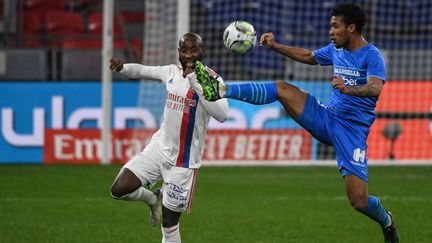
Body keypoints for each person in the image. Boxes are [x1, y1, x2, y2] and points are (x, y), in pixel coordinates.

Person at [191, 3, 399, 243]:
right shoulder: (336, 49)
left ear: (351, 28)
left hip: (352, 132)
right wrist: (276, 46)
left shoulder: (372, 55)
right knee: (282, 88)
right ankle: (222, 89)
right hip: (327, 118)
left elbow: (375, 88)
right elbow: (309, 56)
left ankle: (387, 221)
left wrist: (349, 89)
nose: (330, 31)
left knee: (359, 201)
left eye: (335, 26)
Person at [109, 32, 228, 243]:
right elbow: (143, 71)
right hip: (159, 148)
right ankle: (153, 198)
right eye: (185, 50)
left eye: (194, 50)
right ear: (179, 52)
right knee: (119, 189)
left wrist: (195, 82)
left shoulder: (212, 79)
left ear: (203, 51)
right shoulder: (171, 72)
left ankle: (161, 207)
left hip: (184, 161)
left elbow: (221, 115)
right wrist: (122, 68)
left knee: (169, 225)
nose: (189, 54)